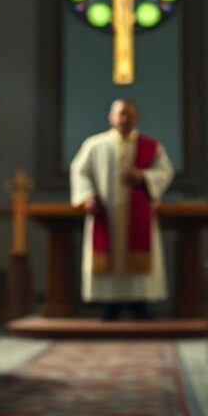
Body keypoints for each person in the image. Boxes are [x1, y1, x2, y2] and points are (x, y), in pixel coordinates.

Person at [70, 99, 174, 321]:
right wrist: (87, 196)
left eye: (129, 114)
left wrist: (144, 177)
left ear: (137, 118)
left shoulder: (150, 146)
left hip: (138, 215)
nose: (124, 119)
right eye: (120, 114)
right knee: (109, 257)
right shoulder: (95, 145)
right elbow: (79, 171)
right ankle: (110, 305)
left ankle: (139, 304)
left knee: (139, 258)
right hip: (105, 213)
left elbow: (165, 171)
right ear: (111, 117)